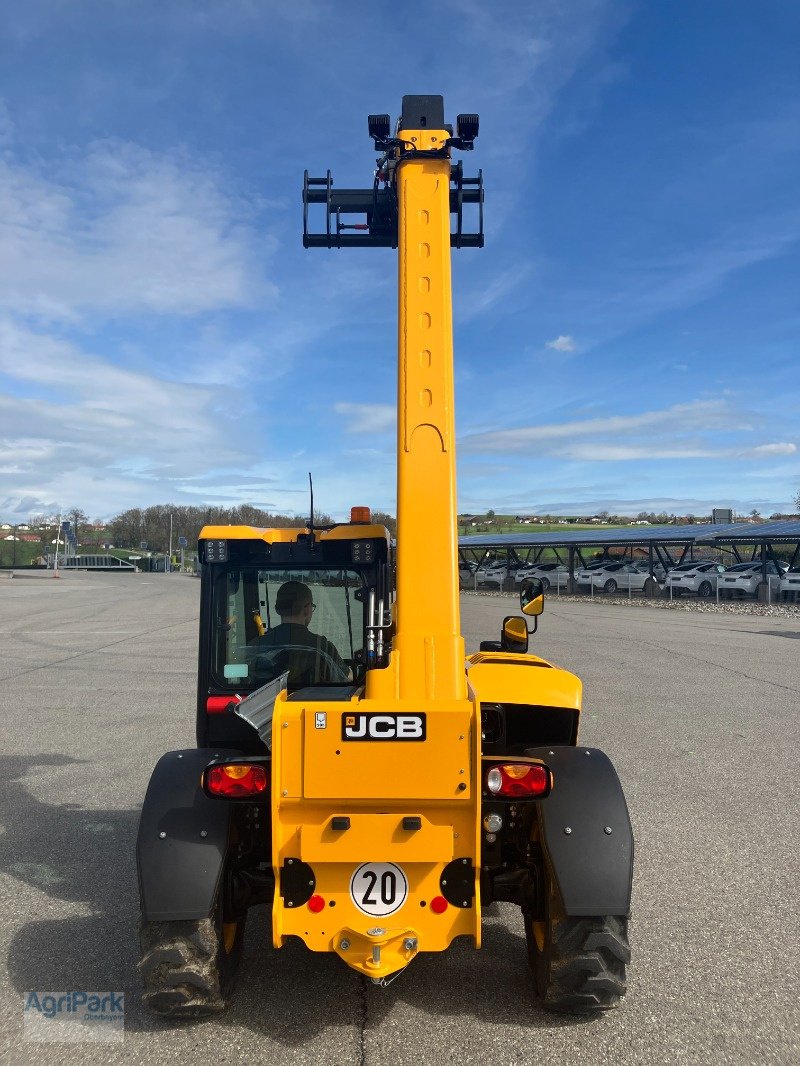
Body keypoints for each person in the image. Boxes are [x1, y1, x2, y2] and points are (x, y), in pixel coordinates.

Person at [256, 580, 346, 685]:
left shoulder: (256, 645)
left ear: (277, 609)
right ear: (307, 609)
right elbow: (346, 679)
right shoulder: (323, 647)